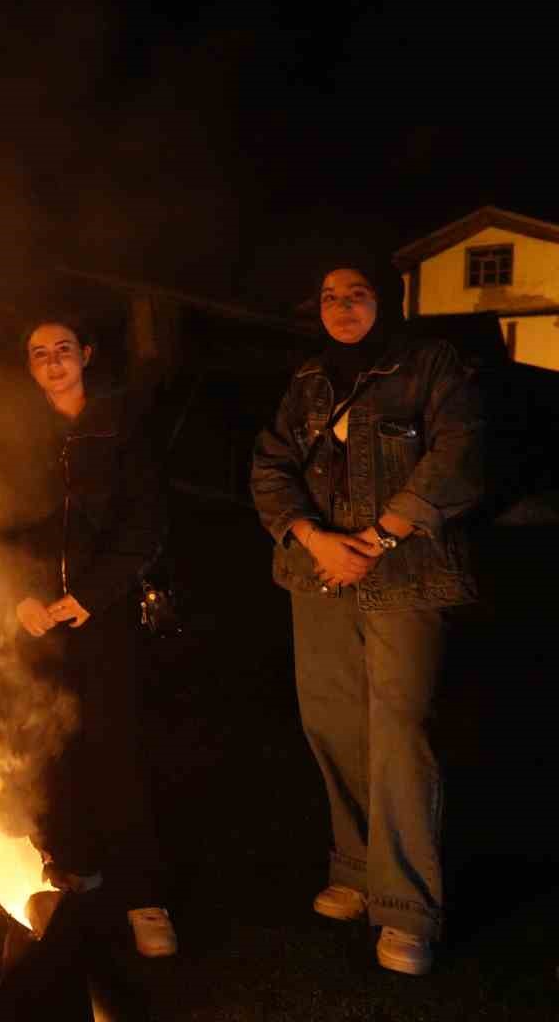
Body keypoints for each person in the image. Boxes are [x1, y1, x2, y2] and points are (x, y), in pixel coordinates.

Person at [251, 260, 482, 976]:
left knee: (400, 734)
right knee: (333, 721)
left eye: (357, 294)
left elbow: (458, 454)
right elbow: (270, 467)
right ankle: (355, 868)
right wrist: (314, 537)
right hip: (321, 577)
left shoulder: (431, 365)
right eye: (330, 296)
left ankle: (407, 907)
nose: (342, 307)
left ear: (387, 299)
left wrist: (379, 538)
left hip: (406, 578)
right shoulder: (309, 381)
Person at [6, 311, 177, 959]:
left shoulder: (120, 424)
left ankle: (144, 896)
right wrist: (18, 595)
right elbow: (6, 525)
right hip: (38, 619)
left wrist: (92, 595)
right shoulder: (23, 438)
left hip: (103, 614)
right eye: (39, 353)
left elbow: (146, 523)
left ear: (86, 354)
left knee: (117, 746)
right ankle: (74, 867)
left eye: (63, 349)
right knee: (52, 743)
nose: (52, 362)